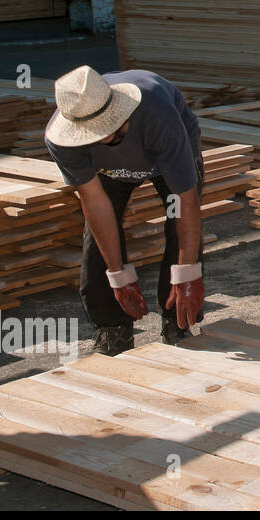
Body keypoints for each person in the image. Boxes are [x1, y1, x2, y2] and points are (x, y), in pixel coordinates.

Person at [44, 66, 206, 357]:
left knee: (178, 229)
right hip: (109, 170)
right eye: (92, 132)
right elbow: (95, 204)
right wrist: (119, 277)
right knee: (96, 242)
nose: (102, 137)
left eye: (108, 127)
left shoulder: (158, 117)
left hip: (163, 154)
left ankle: (176, 323)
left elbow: (185, 201)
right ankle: (112, 327)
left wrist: (188, 275)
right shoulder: (62, 141)